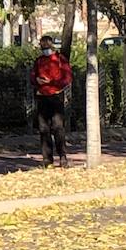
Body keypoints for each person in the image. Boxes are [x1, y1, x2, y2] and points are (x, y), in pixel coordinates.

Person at [32, 35, 72, 167]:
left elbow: (67, 78)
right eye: (43, 48)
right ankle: (47, 159)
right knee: (44, 129)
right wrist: (36, 80)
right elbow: (33, 75)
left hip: (56, 95)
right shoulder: (39, 61)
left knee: (58, 128)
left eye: (47, 47)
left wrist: (53, 82)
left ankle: (62, 156)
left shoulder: (60, 60)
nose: (45, 50)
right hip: (42, 96)